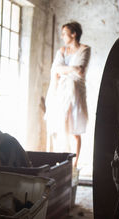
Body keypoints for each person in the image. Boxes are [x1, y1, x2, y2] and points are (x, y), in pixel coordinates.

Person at [45, 21, 90, 168]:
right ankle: (61, 161)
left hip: (76, 92)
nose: (62, 36)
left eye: (65, 33)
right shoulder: (62, 51)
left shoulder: (84, 49)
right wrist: (69, 69)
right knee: (60, 125)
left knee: (75, 130)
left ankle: (74, 164)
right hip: (61, 92)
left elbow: (80, 70)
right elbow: (56, 69)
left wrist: (64, 70)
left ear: (74, 34)